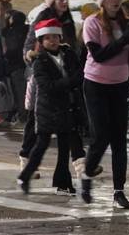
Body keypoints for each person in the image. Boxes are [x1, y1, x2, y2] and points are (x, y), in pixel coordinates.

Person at [81, 0, 129, 208]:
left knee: (118, 139)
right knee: (101, 135)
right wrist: (125, 39)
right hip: (96, 83)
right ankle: (87, 176)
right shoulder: (92, 22)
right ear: (102, 2)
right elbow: (99, 55)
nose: (115, 2)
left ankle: (119, 191)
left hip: (120, 84)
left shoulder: (127, 23)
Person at [20, 0, 88, 182]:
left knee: (71, 122)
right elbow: (27, 48)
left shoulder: (67, 21)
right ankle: (26, 160)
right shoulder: (41, 19)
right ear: (51, 1)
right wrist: (35, 56)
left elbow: (72, 47)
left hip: (65, 77)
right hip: (44, 80)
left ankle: (80, 166)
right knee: (36, 121)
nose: (64, 2)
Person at [16, 19, 84, 195]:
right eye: (48, 38)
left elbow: (79, 71)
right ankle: (25, 176)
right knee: (41, 146)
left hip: (65, 108)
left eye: (55, 36)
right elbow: (47, 87)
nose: (52, 41)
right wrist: (70, 82)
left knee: (64, 148)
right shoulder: (39, 61)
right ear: (41, 41)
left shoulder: (67, 54)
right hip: (47, 110)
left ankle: (63, 183)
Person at [0, 0, 28, 123]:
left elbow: (11, 49)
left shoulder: (12, 32)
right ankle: (22, 115)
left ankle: (23, 117)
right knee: (22, 91)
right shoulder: (26, 29)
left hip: (15, 66)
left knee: (19, 92)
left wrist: (6, 58)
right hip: (24, 65)